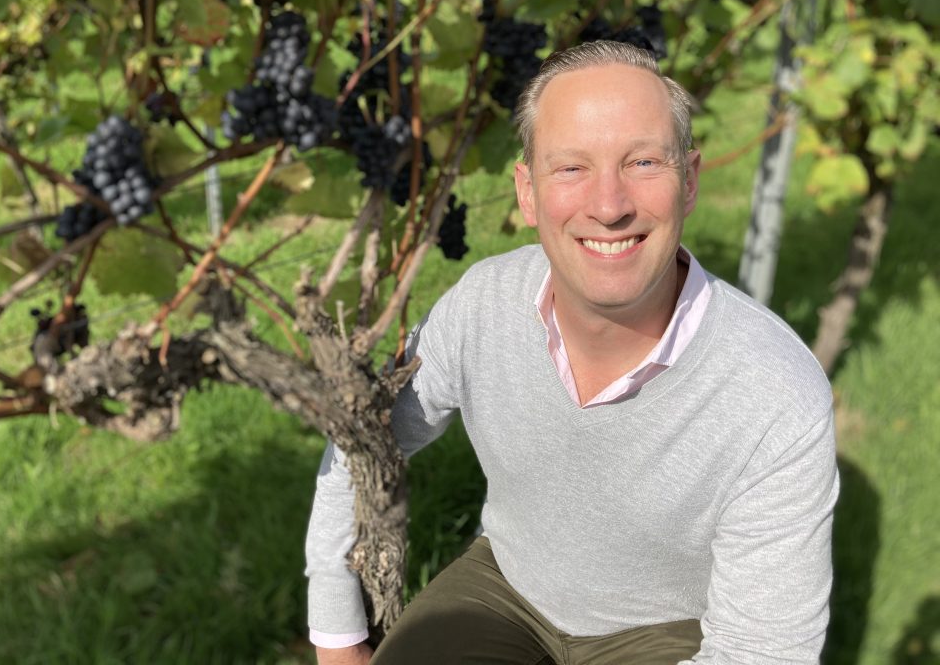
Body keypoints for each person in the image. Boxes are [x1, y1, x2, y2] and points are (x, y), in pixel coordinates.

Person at [305, 40, 840, 665]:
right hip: (506, 586)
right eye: (571, 168)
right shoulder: (483, 306)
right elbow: (362, 442)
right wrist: (337, 637)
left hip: (670, 630)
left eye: (642, 162)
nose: (609, 206)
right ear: (527, 192)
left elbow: (762, 653)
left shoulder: (776, 393)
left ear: (690, 180)